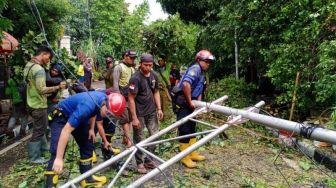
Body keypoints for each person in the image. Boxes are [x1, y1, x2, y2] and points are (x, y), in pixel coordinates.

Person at [44, 91, 126, 187]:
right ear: (106, 105)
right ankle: (50, 184)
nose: (107, 117)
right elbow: (66, 130)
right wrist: (59, 158)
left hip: (76, 115)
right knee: (57, 149)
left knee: (88, 142)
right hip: (61, 117)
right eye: (108, 114)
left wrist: (91, 129)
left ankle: (87, 178)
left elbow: (94, 112)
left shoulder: (102, 99)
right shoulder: (86, 107)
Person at [24, 45, 67, 164]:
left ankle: (43, 148)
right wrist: (58, 87)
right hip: (38, 104)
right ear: (44, 54)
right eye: (49, 57)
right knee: (38, 130)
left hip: (30, 101)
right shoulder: (39, 69)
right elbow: (42, 89)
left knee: (41, 127)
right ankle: (34, 157)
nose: (49, 60)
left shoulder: (28, 66)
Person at [175, 50, 215, 168]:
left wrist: (198, 105)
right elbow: (186, 84)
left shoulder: (202, 73)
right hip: (184, 101)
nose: (208, 64)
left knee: (192, 127)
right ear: (199, 60)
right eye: (206, 61)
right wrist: (190, 102)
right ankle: (184, 156)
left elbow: (199, 90)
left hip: (192, 101)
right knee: (185, 129)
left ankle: (192, 152)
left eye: (209, 62)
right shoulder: (195, 69)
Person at [128, 53, 163, 174]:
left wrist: (159, 108)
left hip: (152, 111)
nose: (148, 67)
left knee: (155, 135)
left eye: (150, 65)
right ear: (140, 64)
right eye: (146, 65)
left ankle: (148, 160)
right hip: (139, 114)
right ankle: (139, 163)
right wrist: (134, 118)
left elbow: (156, 92)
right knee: (139, 138)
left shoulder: (154, 75)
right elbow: (131, 98)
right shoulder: (135, 78)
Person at [112, 50, 137, 147]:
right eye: (131, 58)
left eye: (134, 58)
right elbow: (115, 84)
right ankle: (129, 140)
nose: (133, 60)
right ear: (125, 56)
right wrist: (118, 99)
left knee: (130, 118)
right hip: (122, 97)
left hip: (130, 97)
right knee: (125, 119)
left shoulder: (132, 68)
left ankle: (126, 138)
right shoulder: (118, 67)